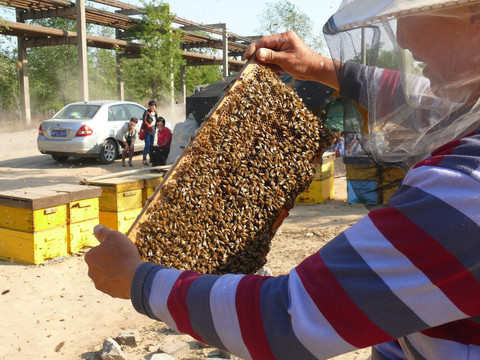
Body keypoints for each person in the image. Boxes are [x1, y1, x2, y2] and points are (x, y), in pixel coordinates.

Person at [85, 1, 480, 359]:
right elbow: (421, 101)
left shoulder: (466, 188)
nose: (403, 37)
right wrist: (321, 67)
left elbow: (290, 319)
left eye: (414, 13)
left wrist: (139, 281)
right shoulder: (469, 113)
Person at [141, 100, 158, 166]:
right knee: (147, 145)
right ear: (149, 106)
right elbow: (144, 120)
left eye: (153, 106)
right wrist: (149, 126)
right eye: (151, 106)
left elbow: (156, 121)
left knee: (151, 145)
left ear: (155, 106)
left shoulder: (156, 113)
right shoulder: (146, 112)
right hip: (147, 131)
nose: (152, 107)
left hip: (153, 131)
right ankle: (144, 159)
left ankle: (151, 158)